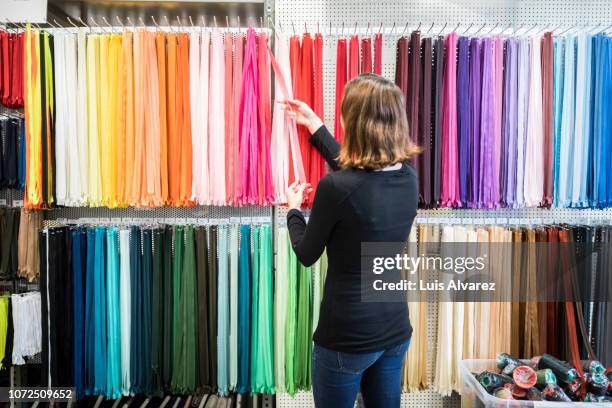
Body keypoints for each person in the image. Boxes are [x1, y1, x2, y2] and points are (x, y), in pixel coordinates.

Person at [281, 73, 420, 408]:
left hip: (346, 338)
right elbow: (361, 180)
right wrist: (315, 126)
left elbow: (306, 253)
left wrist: (294, 211)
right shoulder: (408, 179)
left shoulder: (335, 188)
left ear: (353, 122)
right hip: (394, 331)